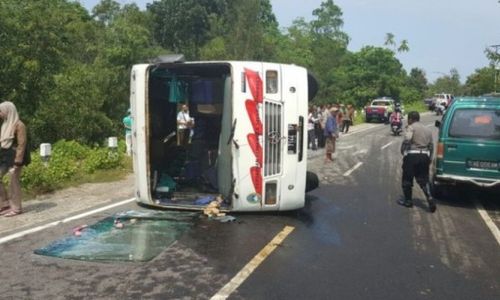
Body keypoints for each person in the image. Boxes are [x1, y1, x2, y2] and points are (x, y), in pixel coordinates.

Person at [398, 111, 436, 212]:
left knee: (407, 179)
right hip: (424, 156)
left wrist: (403, 150)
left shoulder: (411, 127)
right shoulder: (428, 130)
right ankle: (429, 197)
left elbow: (407, 139)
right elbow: (431, 146)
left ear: (410, 119)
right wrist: (430, 158)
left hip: (412, 156)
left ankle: (408, 201)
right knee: (424, 179)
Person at [0, 101, 27, 217]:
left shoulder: (19, 125)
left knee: (13, 181)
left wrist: (17, 162)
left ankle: (16, 208)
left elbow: (22, 144)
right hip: (5, 158)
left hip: (15, 158)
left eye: (1, 111)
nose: (0, 113)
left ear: (8, 111)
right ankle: (5, 204)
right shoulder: (5, 124)